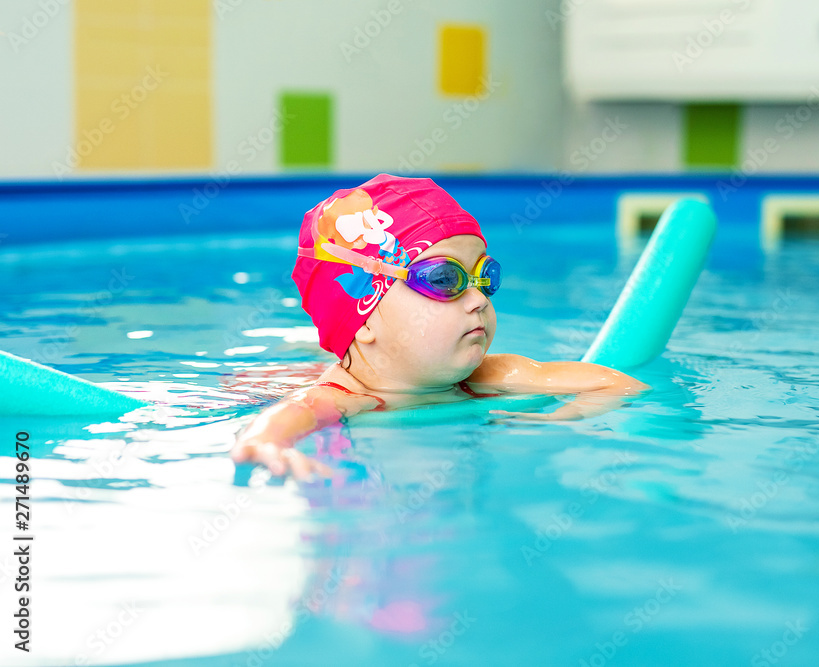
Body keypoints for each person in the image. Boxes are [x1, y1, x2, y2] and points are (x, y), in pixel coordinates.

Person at [230, 174, 650, 480]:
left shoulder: (491, 375)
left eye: (484, 277)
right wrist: (267, 442)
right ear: (365, 320)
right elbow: (290, 414)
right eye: (445, 279)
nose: (479, 299)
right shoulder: (346, 399)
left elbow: (620, 385)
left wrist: (560, 420)